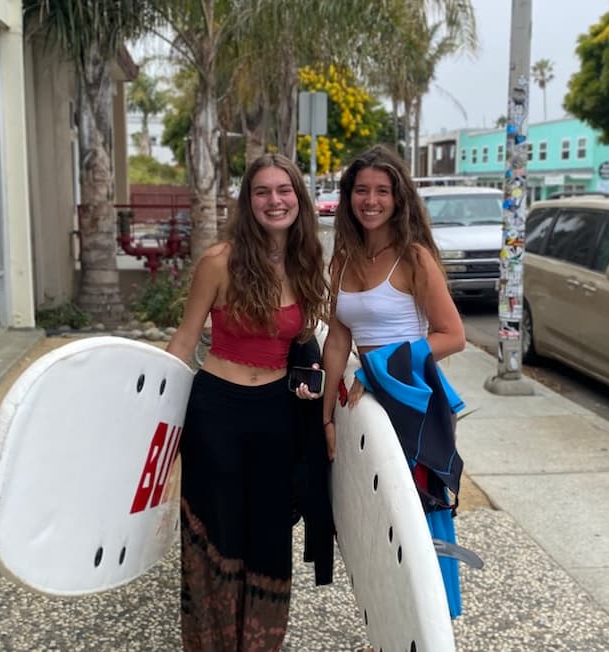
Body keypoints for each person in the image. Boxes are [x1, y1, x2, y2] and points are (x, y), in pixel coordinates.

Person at [166, 153, 329, 651]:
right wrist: (147, 414)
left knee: (269, 533)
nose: (274, 201)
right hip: (217, 412)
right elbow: (184, 340)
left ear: (298, 200)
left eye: (284, 191)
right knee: (217, 532)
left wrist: (321, 378)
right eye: (263, 191)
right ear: (248, 200)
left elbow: (311, 339)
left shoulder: (305, 263)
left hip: (278, 415)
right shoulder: (220, 261)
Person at [320, 144, 468, 618]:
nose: (371, 200)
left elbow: (453, 336)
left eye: (382, 190)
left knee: (419, 525)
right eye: (361, 189)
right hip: (363, 406)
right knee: (375, 526)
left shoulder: (414, 258)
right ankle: (388, 628)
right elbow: (338, 341)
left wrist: (377, 368)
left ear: (398, 197)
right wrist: (325, 414)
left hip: (412, 407)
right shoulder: (341, 258)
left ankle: (430, 628)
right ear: (348, 197)